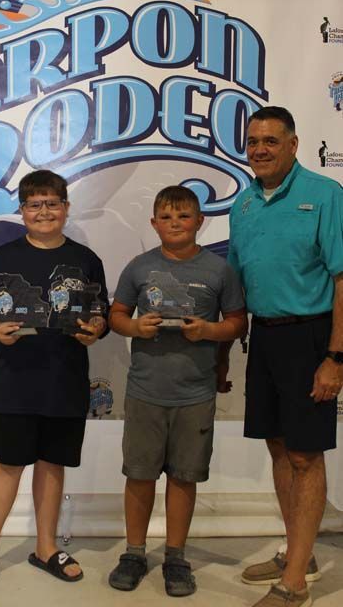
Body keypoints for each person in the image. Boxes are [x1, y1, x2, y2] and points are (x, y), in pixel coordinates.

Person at [0, 170, 108, 597]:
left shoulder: (85, 258)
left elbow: (101, 311)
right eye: (34, 204)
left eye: (52, 203)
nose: (44, 212)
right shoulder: (4, 257)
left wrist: (96, 328)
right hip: (15, 382)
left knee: (52, 464)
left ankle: (45, 548)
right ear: (22, 211)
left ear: (65, 208)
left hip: (65, 380)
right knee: (7, 465)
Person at [228, 106, 343, 607]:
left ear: (294, 144)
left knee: (304, 454)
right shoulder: (244, 204)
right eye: (253, 141)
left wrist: (336, 356)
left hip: (312, 338)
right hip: (265, 337)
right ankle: (301, 552)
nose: (259, 150)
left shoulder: (325, 195)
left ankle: (294, 583)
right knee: (278, 448)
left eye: (271, 141)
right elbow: (236, 283)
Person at [108, 185, 247, 597]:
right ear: (153, 223)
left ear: (200, 222)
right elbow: (116, 315)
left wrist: (208, 330)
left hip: (196, 393)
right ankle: (134, 552)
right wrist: (134, 327)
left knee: (184, 478)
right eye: (166, 217)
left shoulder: (219, 271)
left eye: (183, 216)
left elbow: (238, 322)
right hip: (145, 391)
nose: (175, 224)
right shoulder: (139, 267)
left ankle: (175, 556)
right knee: (139, 475)